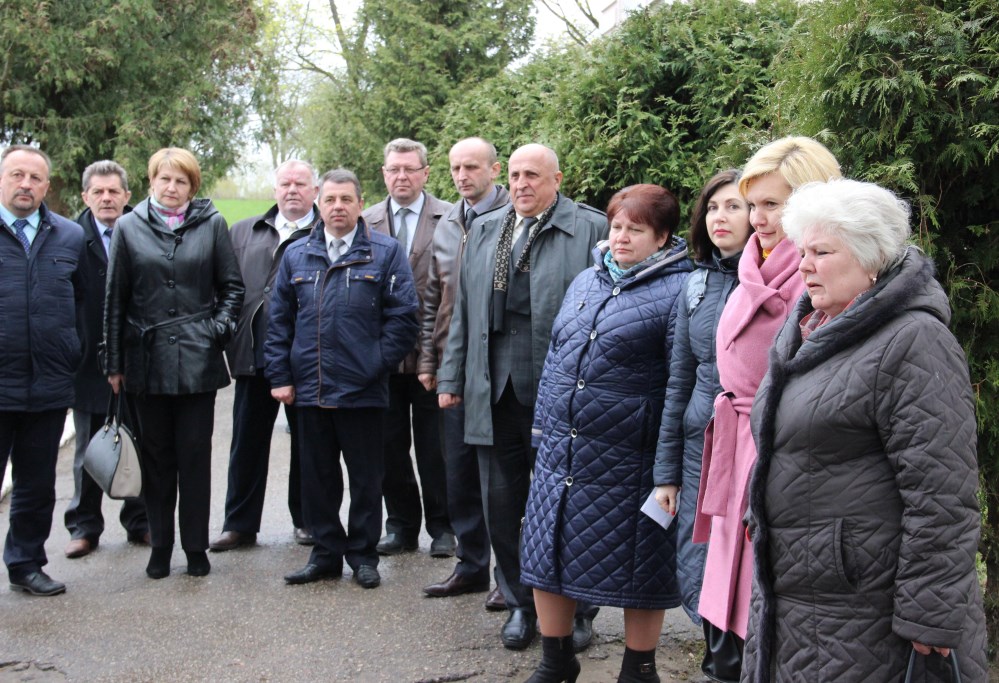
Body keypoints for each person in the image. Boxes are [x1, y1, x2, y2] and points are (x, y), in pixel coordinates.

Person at [742, 178, 988, 682]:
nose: (803, 265)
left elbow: (942, 491)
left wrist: (931, 609)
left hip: (866, 606)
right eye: (802, 251)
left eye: (821, 252)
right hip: (798, 595)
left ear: (870, 256)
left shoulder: (914, 340)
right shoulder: (809, 329)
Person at [521, 184, 692, 683]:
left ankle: (639, 669)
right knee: (546, 554)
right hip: (562, 451)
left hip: (632, 457)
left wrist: (668, 464)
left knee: (643, 567)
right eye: (617, 226)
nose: (621, 237)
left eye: (635, 230)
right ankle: (555, 661)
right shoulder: (587, 280)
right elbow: (555, 359)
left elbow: (680, 382)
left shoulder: (681, 289)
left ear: (662, 237)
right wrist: (542, 433)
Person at [438, 144, 606, 651]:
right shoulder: (486, 228)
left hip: (563, 391)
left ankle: (578, 609)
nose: (521, 184)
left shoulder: (590, 228)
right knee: (501, 502)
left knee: (571, 505)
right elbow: (464, 311)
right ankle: (519, 603)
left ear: (558, 178)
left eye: (532, 174)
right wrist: (451, 378)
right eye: (514, 175)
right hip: (494, 390)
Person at [691, 136, 840, 680]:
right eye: (753, 204)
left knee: (767, 609)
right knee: (726, 608)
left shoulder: (820, 279)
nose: (757, 218)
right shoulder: (750, 266)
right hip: (736, 445)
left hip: (781, 453)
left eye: (772, 204)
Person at [266, 168, 418, 590]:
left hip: (363, 391)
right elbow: (279, 322)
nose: (337, 207)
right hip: (310, 389)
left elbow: (404, 319)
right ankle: (325, 554)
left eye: (346, 199)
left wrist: (373, 365)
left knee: (367, 480)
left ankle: (364, 556)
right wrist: (280, 376)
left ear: (360, 203)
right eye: (330, 200)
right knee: (317, 479)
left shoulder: (385, 253)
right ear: (320, 204)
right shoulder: (297, 254)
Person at [104, 147, 244, 580]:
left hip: (198, 361)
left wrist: (216, 330)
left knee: (194, 458)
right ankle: (160, 546)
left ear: (192, 186)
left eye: (181, 181)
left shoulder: (212, 223)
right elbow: (114, 298)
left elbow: (232, 288)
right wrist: (113, 363)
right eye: (164, 179)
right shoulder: (128, 226)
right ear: (151, 182)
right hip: (145, 363)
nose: (171, 187)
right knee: (156, 459)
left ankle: (196, 547)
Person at [652, 170, 751, 680]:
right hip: (699, 449)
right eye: (712, 208)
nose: (720, 218)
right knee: (701, 559)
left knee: (743, 565)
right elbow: (679, 381)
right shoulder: (697, 282)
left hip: (750, 446)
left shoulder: (775, 281)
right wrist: (666, 473)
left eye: (734, 206)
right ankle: (717, 664)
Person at [210, 159, 320, 552]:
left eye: (300, 183)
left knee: (309, 444)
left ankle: (307, 520)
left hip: (307, 356)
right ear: (275, 190)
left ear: (314, 191)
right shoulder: (244, 231)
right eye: (285, 183)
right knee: (247, 442)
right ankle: (239, 524)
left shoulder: (326, 230)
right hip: (254, 352)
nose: (292, 190)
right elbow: (225, 289)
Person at [419, 137, 509, 607]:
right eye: (455, 168)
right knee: (458, 473)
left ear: (495, 169)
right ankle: (471, 565)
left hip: (497, 370)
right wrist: (429, 362)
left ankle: (508, 577)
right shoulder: (447, 224)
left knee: (502, 480)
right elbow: (433, 299)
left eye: (471, 167)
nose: (461, 176)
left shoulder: (514, 219)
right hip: (453, 368)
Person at [0, 145, 86, 597]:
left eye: (35, 178)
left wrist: (74, 353)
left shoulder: (69, 236)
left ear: (47, 187)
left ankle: (26, 564)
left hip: (48, 384)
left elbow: (84, 304)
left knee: (36, 485)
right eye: (17, 175)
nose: (25, 184)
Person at [363, 138, 455, 558]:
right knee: (388, 448)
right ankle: (400, 526)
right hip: (381, 357)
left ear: (425, 173)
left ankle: (443, 527)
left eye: (410, 169)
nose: (402, 177)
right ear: (384, 173)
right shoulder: (365, 222)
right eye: (394, 169)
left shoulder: (451, 218)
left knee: (437, 449)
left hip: (432, 352)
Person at [64, 160, 149, 559]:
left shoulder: (143, 231)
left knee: (139, 443)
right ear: (85, 197)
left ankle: (141, 521)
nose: (106, 198)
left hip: (138, 358)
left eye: (114, 191)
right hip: (88, 361)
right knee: (89, 448)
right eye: (98, 192)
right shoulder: (70, 237)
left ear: (127, 195)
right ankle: (84, 526)